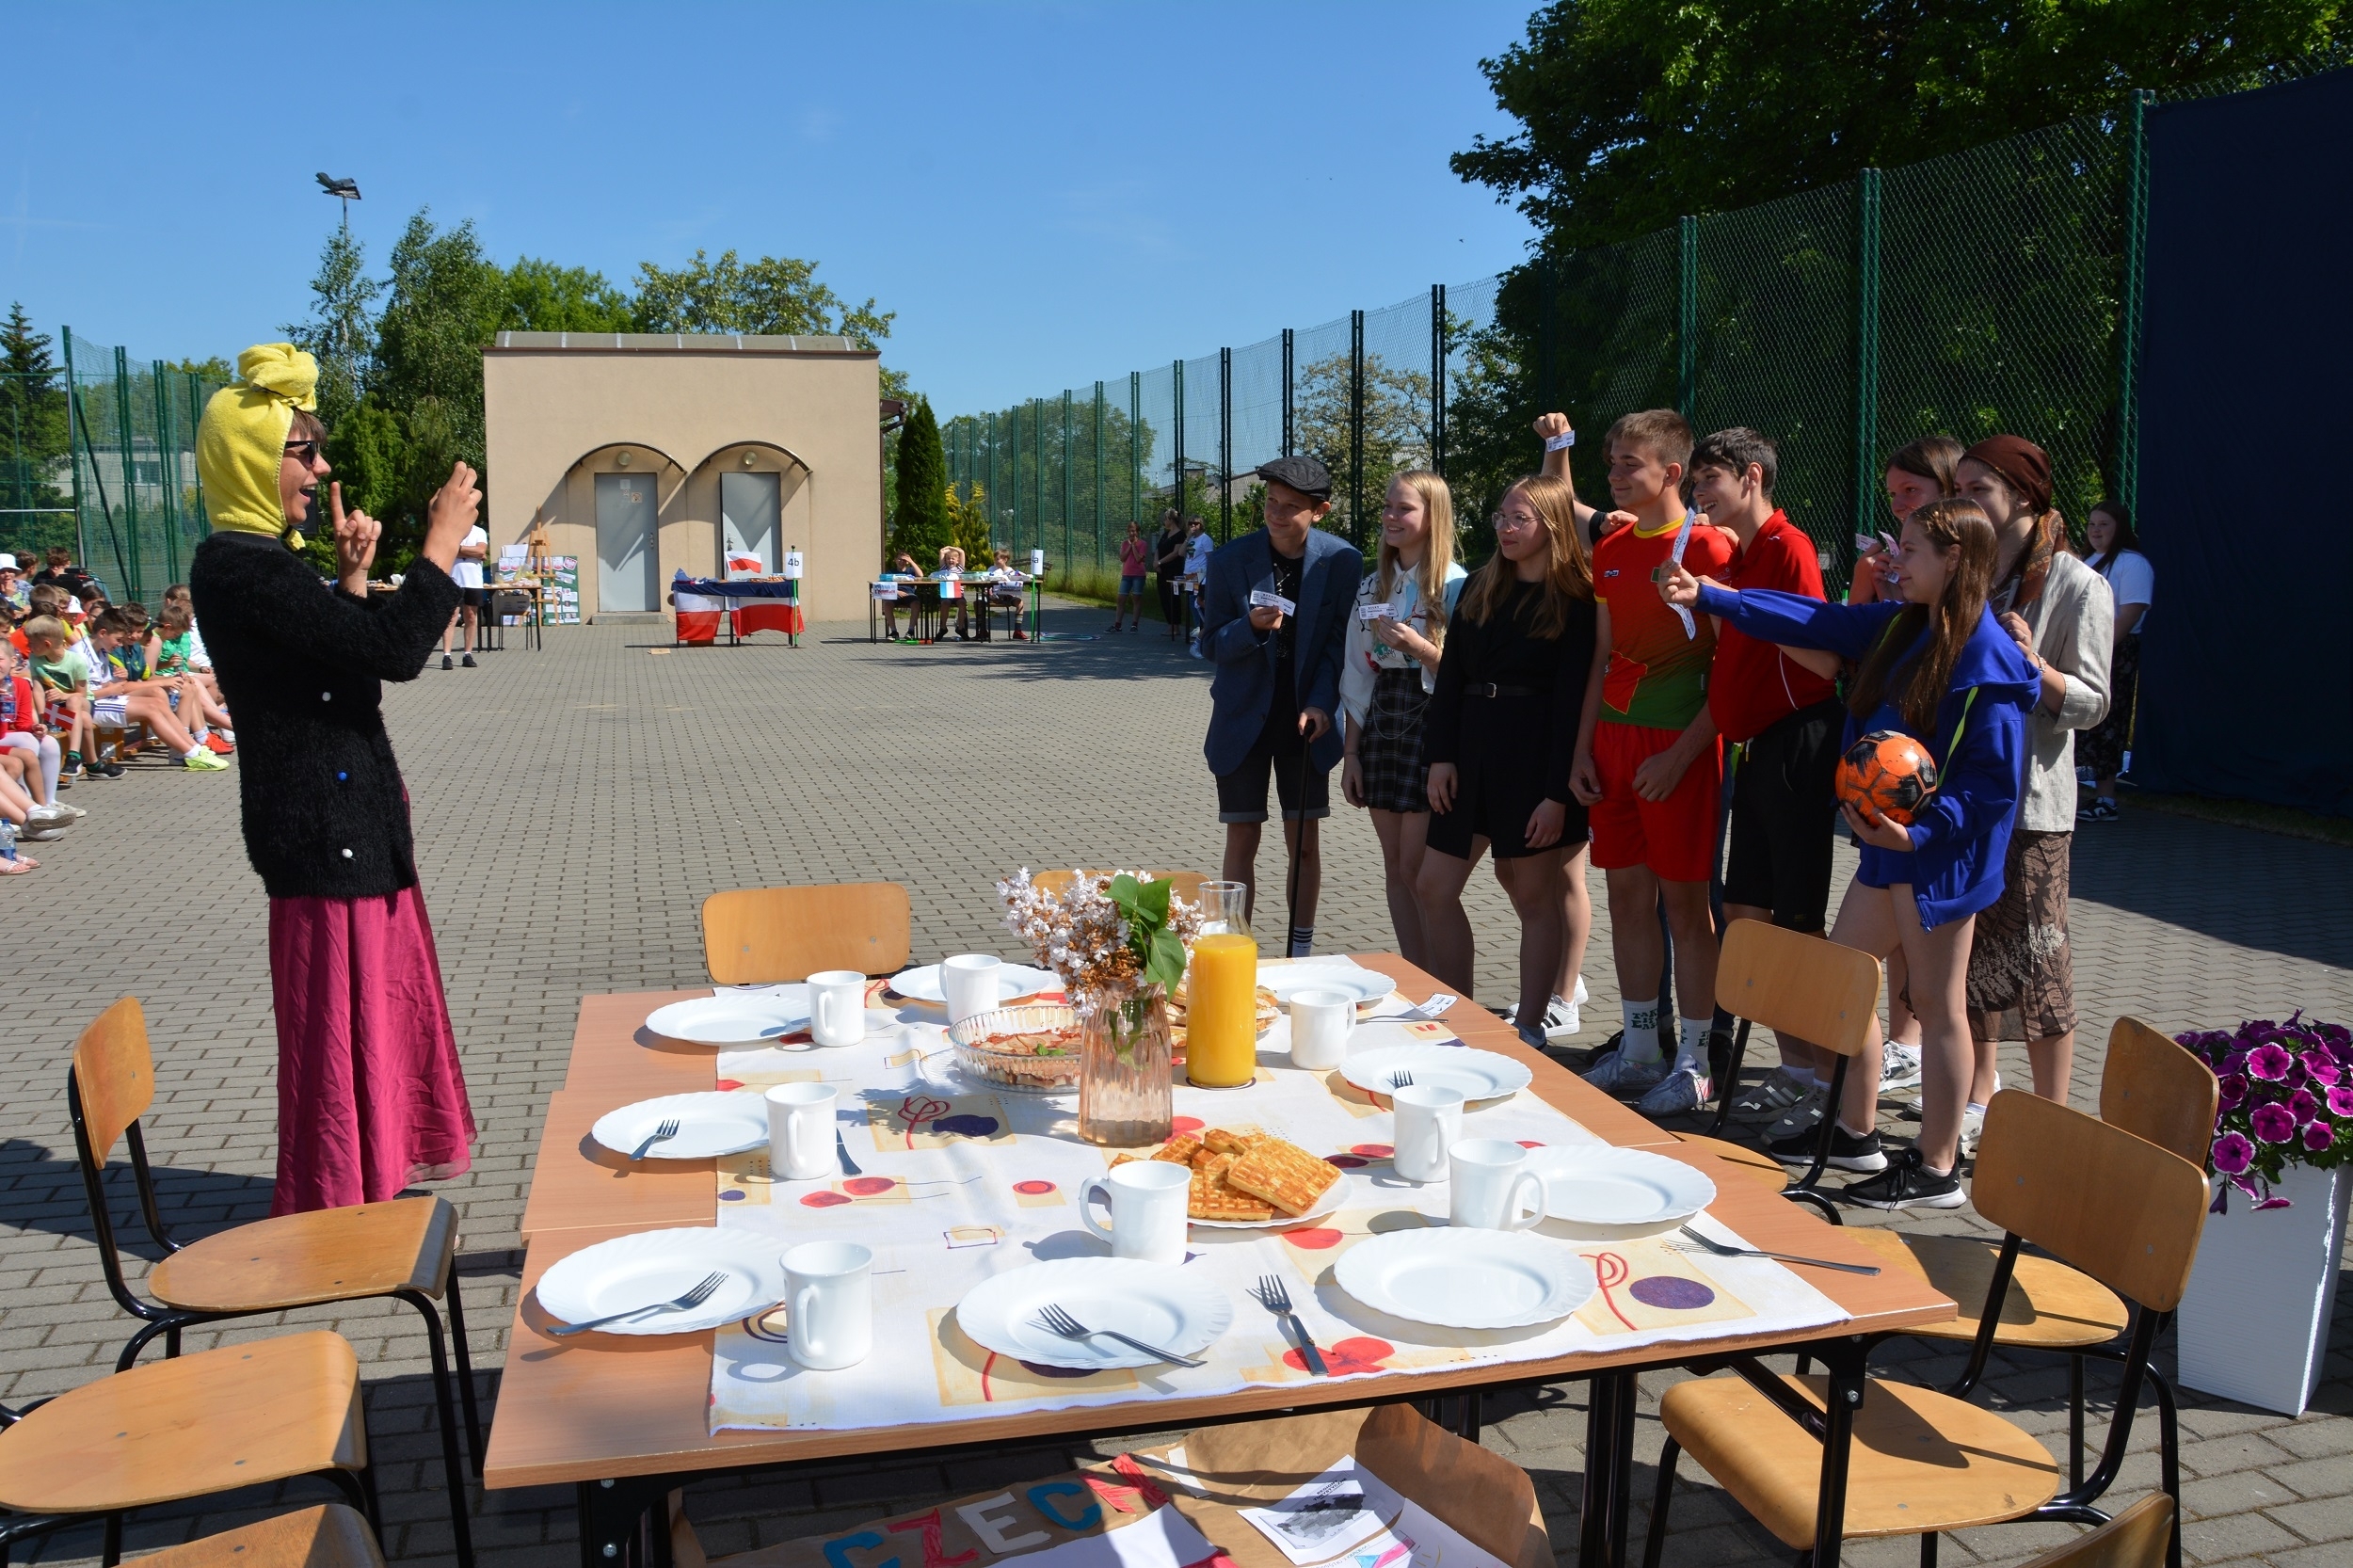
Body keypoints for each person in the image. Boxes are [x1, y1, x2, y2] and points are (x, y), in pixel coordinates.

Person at [1660, 496, 2041, 1208]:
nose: (1897, 559)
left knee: (1937, 1005)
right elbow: (1814, 619)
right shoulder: (1904, 625)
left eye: (1912, 549)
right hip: (1890, 844)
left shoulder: (1987, 657)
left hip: (1939, 856)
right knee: (1839, 980)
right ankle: (1856, 1133)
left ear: (1956, 559)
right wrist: (1712, 596)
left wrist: (1920, 833)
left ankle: (1937, 1170)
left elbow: (1992, 786)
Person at [188, 342, 478, 1215]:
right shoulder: (241, 566)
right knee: (341, 1032)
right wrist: (440, 544)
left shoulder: (268, 565)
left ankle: (371, 1180)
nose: (320, 470)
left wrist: (351, 581)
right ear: (250, 459)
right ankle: (335, 1203)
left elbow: (339, 670)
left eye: (318, 452)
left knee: (378, 1025)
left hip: (352, 829)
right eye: (303, 451)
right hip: (322, 834)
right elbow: (395, 653)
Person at [1683, 429, 1848, 1137]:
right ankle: (1796, 1069)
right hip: (1755, 748)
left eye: (1710, 479)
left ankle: (1829, 1087)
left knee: (1798, 923)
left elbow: (1822, 657)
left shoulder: (1789, 546)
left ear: (1751, 477)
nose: (1699, 494)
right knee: (1747, 915)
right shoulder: (1743, 553)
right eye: (1695, 481)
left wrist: (1730, 603)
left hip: (1797, 743)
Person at [1572, 410, 1736, 1116]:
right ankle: (1641, 1049)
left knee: (1688, 909)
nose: (1614, 474)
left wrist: (1682, 755)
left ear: (1671, 472)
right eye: (1611, 461)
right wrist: (1581, 749)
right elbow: (1600, 657)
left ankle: (1696, 1061)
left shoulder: (1709, 547)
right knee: (1626, 900)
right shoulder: (1610, 548)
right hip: (1612, 749)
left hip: (1679, 751)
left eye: (1628, 463)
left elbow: (1732, 670)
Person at [1958, 436, 2111, 1117]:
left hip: (2033, 804)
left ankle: (2054, 1116)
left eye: (1979, 490)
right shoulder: (1971, 568)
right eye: (1959, 490)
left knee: (2040, 960)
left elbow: (2093, 703)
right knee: (1973, 957)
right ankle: (1978, 1092)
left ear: (2022, 496)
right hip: (1965, 795)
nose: (1965, 502)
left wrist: (2033, 665)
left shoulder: (2080, 585)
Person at [1417, 475, 1594, 1045]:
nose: (1506, 528)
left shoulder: (1576, 599)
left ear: (1552, 525)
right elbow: (1451, 677)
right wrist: (1441, 757)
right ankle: (1458, 1017)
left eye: (1520, 519)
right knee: (1433, 887)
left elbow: (1573, 703)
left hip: (1534, 760)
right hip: (1469, 753)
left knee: (1535, 897)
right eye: (1501, 517)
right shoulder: (1478, 587)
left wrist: (1557, 794)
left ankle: (1531, 1026)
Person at [1199, 455, 1361, 953]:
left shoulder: (1342, 561)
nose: (1276, 513)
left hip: (1306, 721)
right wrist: (1248, 628)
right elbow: (1210, 643)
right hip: (1243, 719)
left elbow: (1338, 645)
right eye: (1271, 502)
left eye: (1291, 506)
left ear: (1320, 510)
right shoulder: (1230, 560)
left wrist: (1320, 703)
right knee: (1241, 837)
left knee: (1304, 842)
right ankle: (1234, 950)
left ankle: (1300, 951)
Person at [1338, 472, 1468, 969]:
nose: (1391, 517)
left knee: (1418, 869)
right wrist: (1351, 754)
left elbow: (1468, 676)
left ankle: (1443, 981)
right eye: (1388, 506)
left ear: (1433, 516)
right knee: (1395, 866)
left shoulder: (1456, 586)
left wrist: (1423, 650)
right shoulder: (1372, 586)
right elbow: (1357, 673)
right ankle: (1416, 974)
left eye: (1405, 508)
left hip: (1433, 720)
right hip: (1382, 719)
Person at [2077, 499, 2151, 822]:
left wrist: (2101, 650)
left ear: (2119, 528)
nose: (2096, 531)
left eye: (2104, 525)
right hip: (2082, 648)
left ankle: (2106, 800)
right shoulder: (2087, 562)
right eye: (2092, 524)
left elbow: (2131, 612)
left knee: (2109, 720)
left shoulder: (2132, 563)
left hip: (2113, 653)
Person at [440, 517, 488, 669]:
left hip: (473, 581)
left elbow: (481, 550)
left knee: (471, 616)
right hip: (453, 580)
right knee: (451, 617)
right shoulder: (452, 531)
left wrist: (459, 549)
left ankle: (467, 654)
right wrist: (472, 553)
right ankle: (446, 655)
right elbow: (448, 550)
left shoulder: (479, 532)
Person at [1152, 511, 1189, 640]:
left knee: (1173, 597)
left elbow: (1176, 553)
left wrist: (1161, 562)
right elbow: (1158, 549)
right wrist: (1156, 562)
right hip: (1162, 571)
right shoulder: (1165, 534)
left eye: (1166, 519)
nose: (1164, 521)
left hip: (1173, 571)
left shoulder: (1180, 535)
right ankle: (1170, 624)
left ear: (1171, 520)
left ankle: (1176, 626)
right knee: (1164, 597)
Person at [1112, 522, 1150, 633]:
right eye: (1129, 531)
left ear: (1137, 532)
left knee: (1136, 598)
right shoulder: (1124, 543)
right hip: (1126, 574)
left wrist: (1134, 546)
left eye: (1133, 531)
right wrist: (1129, 546)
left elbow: (1139, 559)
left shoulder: (1143, 544)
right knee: (1121, 598)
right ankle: (1118, 624)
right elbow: (1122, 558)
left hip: (1138, 575)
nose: (1131, 533)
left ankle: (1134, 624)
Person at [31, 545, 103, 605]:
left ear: (68, 564)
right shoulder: (40, 578)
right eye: (51, 565)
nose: (54, 569)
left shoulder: (77, 578)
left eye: (59, 565)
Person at [987, 547, 1030, 640]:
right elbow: (987, 584)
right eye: (995, 559)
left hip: (1007, 596)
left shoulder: (1011, 571)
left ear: (1005, 559)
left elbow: (1014, 585)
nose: (996, 561)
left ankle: (1017, 631)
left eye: (998, 559)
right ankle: (982, 631)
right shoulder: (991, 569)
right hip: (993, 595)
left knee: (1020, 602)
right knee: (978, 602)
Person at [933, 543, 971, 642]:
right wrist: (947, 550)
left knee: (962, 603)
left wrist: (951, 548)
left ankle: (961, 627)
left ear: (957, 560)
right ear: (945, 560)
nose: (950, 560)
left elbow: (961, 552)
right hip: (947, 594)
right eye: (948, 559)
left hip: (958, 594)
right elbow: (941, 551)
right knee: (945, 603)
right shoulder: (943, 569)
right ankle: (943, 627)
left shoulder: (960, 569)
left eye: (953, 559)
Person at [880, 550, 921, 642]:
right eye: (899, 559)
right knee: (887, 605)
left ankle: (910, 631)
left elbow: (920, 575)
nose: (901, 562)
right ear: (895, 560)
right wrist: (897, 591)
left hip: (909, 594)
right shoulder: (891, 572)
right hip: (895, 593)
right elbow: (885, 584)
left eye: (904, 560)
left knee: (916, 604)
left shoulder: (910, 571)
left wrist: (911, 561)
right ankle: (894, 632)